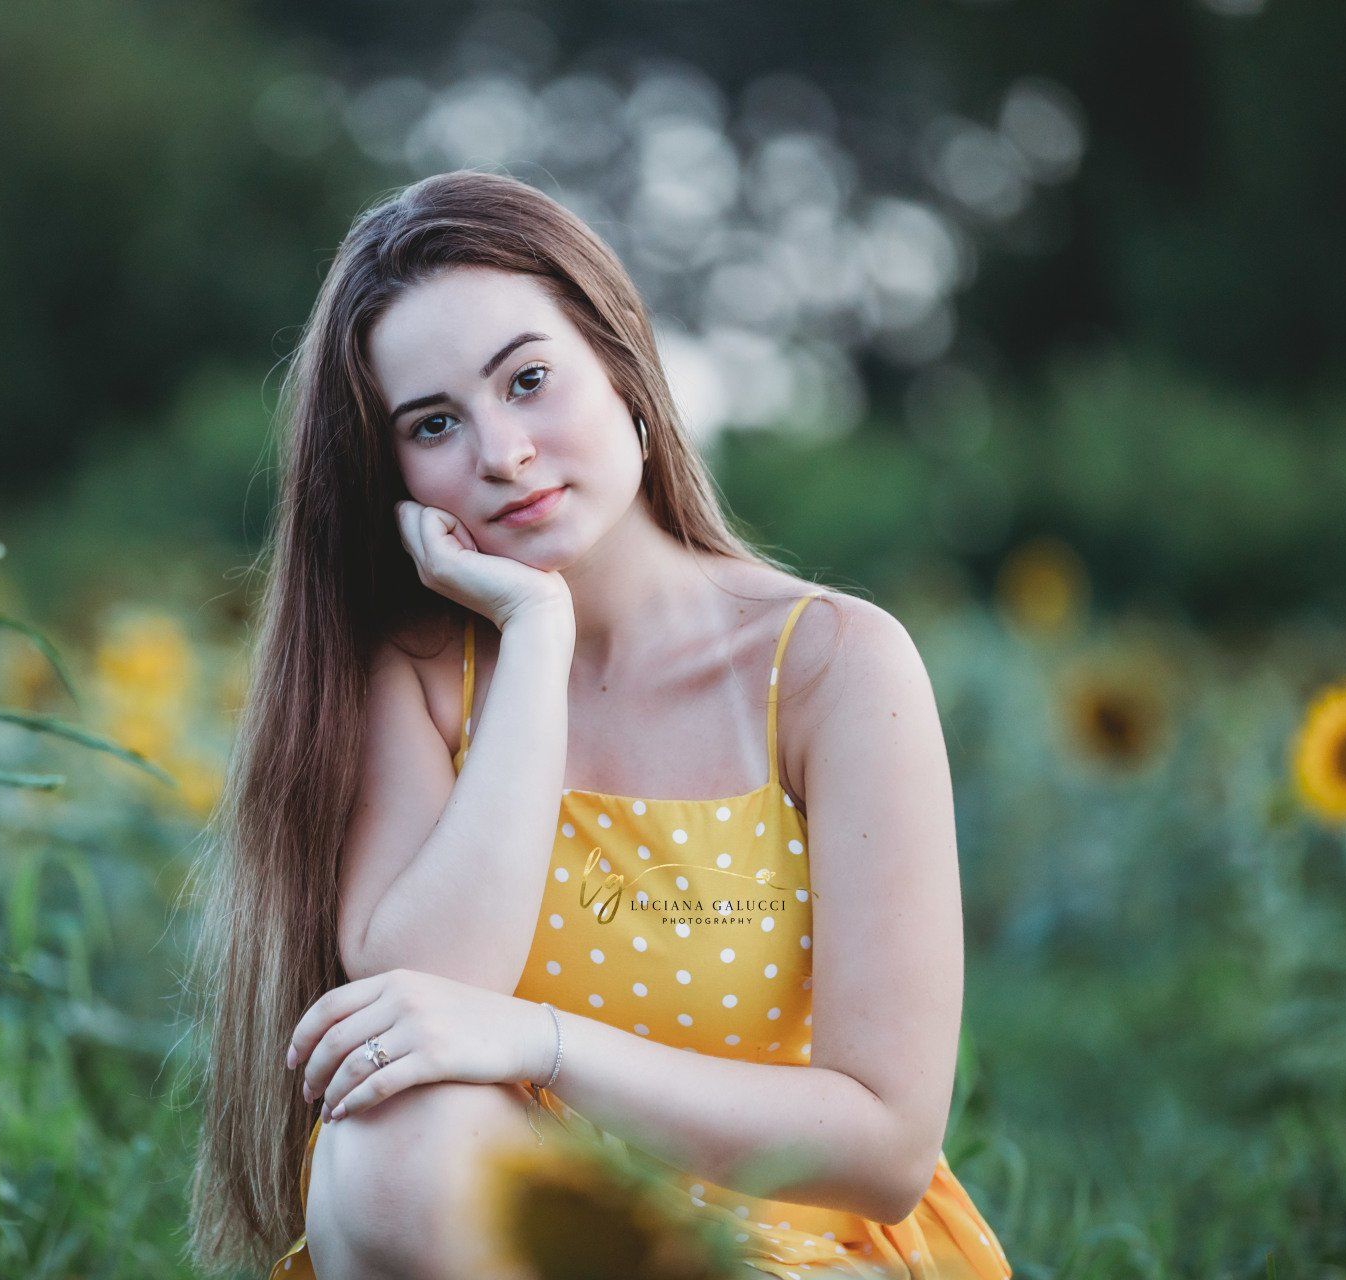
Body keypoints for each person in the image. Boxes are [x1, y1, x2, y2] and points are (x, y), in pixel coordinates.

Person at [185, 168, 1013, 1280]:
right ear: (395, 476)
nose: (501, 452)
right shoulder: (424, 683)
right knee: (388, 1142)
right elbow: (423, 1002)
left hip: (785, 1252)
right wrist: (535, 637)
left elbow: (885, 1144)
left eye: (527, 379)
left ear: (623, 365)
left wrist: (550, 1045)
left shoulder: (831, 666)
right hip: (521, 1236)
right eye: (435, 423)